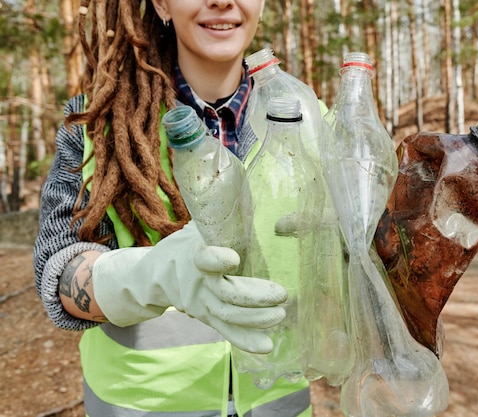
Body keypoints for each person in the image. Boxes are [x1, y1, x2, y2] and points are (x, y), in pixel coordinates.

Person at [33, 0, 312, 415]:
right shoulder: (98, 121)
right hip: (142, 404)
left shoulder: (308, 117)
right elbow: (56, 275)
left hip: (280, 401)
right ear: (161, 4)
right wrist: (151, 277)